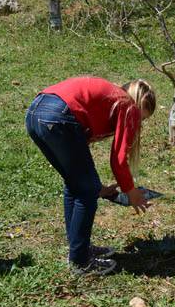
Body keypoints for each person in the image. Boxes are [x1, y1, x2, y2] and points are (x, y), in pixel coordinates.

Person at [25, 76, 156, 276]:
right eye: (141, 119)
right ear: (138, 105)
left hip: (36, 113)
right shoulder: (128, 105)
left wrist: (98, 188)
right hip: (58, 116)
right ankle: (80, 262)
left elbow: (79, 159)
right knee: (85, 191)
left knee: (77, 185)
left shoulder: (110, 100)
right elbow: (119, 160)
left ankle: (80, 249)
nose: (138, 124)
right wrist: (131, 192)